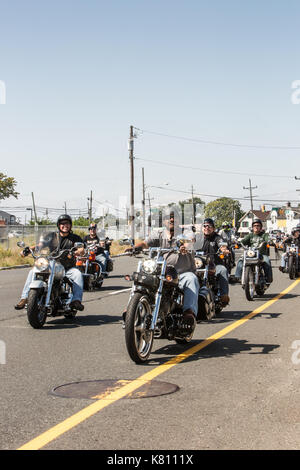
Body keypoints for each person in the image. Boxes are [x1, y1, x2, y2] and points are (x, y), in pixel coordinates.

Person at [123, 208, 199, 331]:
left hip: (182, 273)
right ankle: (131, 310)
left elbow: (190, 241)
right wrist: (134, 248)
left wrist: (185, 246)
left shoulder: (186, 232)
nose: (171, 219)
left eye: (174, 217)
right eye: (168, 217)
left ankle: (189, 314)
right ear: (163, 221)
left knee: (191, 279)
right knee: (141, 275)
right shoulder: (158, 234)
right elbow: (145, 243)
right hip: (162, 272)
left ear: (179, 219)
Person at [15, 214, 85, 311]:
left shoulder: (75, 238)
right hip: (51, 265)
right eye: (62, 223)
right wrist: (28, 250)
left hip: (67, 268)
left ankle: (76, 301)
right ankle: (25, 298)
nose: (65, 225)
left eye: (67, 223)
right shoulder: (52, 236)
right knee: (33, 271)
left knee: (77, 274)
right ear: (58, 225)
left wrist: (77, 251)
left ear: (71, 225)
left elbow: (82, 249)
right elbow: (40, 245)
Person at [194, 218, 231, 306]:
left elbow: (222, 244)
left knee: (223, 270)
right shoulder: (197, 238)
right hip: (198, 265)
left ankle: (223, 296)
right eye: (205, 226)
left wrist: (224, 249)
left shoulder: (217, 238)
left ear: (213, 228)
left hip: (214, 265)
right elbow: (189, 244)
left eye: (209, 226)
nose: (207, 228)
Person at [234, 218, 273, 284]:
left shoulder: (264, 235)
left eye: (258, 225)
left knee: (267, 261)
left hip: (261, 254)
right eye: (255, 225)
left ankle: (268, 278)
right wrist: (238, 243)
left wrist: (269, 241)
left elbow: (268, 239)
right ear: (252, 227)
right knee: (241, 260)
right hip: (251, 253)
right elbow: (243, 241)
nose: (256, 227)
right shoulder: (250, 235)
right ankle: (237, 277)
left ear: (261, 227)